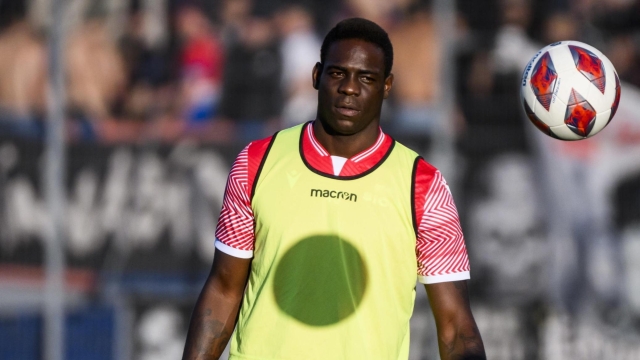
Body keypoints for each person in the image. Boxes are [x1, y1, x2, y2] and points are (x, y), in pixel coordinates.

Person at [182, 18, 486, 360]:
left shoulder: (424, 184)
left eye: (366, 78)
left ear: (387, 86)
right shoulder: (257, 162)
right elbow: (223, 289)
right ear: (316, 76)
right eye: (338, 73)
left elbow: (455, 327)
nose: (350, 88)